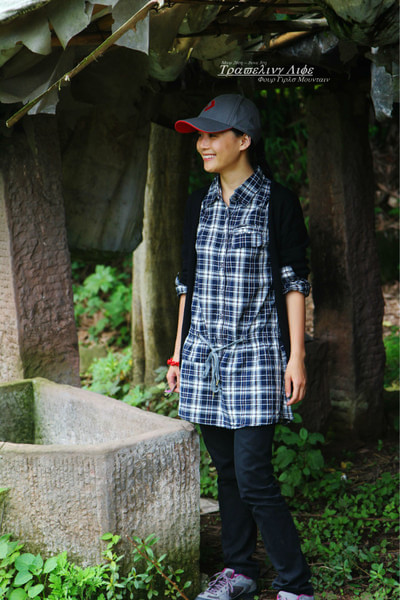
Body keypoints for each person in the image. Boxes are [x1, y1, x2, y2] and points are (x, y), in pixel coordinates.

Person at [166, 94, 314, 600]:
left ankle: (296, 584)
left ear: (244, 140)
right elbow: (187, 284)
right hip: (203, 357)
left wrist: (296, 357)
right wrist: (178, 354)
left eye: (213, 135)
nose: (203, 144)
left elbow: (294, 283)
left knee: (253, 475)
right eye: (199, 137)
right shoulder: (199, 203)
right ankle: (239, 571)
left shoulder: (278, 203)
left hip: (256, 356)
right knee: (227, 472)